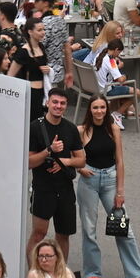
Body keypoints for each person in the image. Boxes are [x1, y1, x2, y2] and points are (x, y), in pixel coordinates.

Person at [76, 94, 140, 278]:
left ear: (106, 110)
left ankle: (136, 273)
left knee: (124, 227)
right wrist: (80, 169)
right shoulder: (82, 131)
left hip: (110, 179)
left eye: (102, 107)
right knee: (89, 229)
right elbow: (71, 155)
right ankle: (92, 273)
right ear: (89, 110)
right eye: (95, 108)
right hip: (89, 181)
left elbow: (120, 161)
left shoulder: (114, 129)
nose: (99, 111)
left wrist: (120, 191)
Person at [26, 87, 86, 260]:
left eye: (62, 103)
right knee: (39, 234)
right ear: (48, 103)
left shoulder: (71, 128)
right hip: (43, 188)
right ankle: (33, 277)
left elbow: (81, 160)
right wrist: (49, 150)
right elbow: (29, 163)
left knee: (63, 235)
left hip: (65, 189)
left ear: (66, 106)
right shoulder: (35, 127)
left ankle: (60, 277)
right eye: (55, 102)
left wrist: (63, 162)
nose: (58, 106)